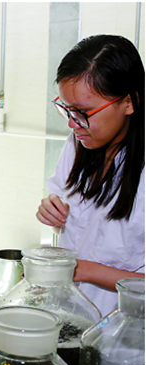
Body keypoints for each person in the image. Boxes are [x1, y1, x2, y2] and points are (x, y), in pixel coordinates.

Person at [37, 34, 144, 315]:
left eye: (83, 112)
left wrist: (86, 270)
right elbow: (68, 208)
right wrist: (52, 209)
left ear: (129, 102)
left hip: (125, 329)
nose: (73, 124)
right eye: (67, 110)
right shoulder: (80, 142)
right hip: (71, 315)